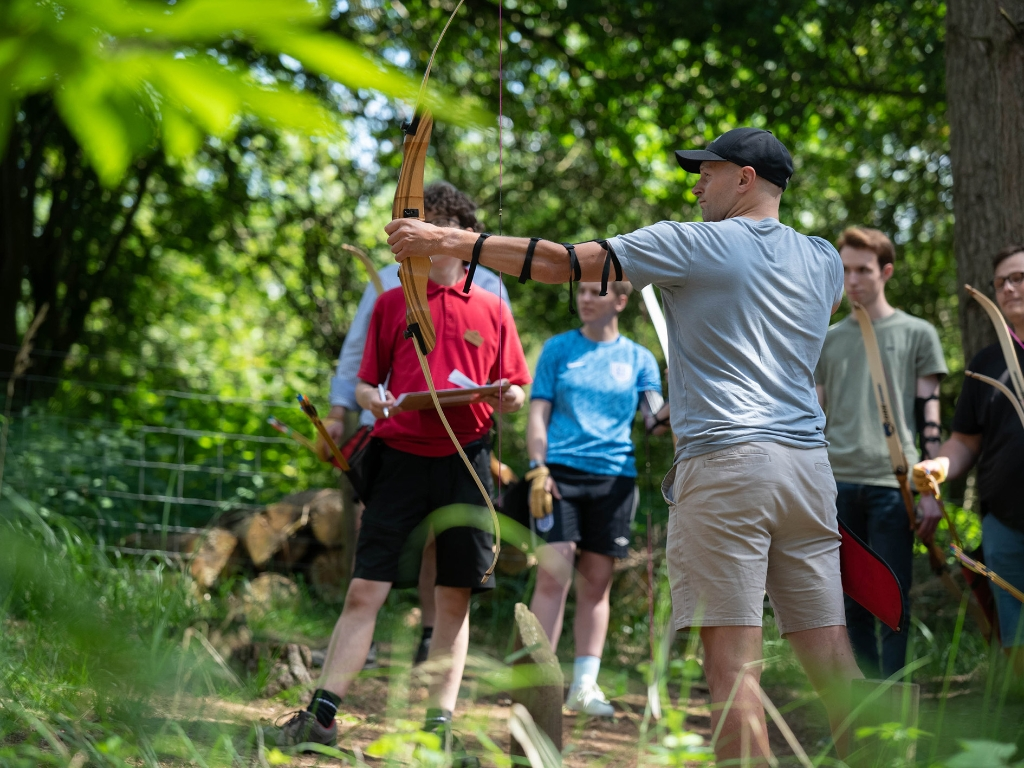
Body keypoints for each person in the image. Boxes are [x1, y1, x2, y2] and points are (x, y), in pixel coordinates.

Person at [387, 126, 864, 763]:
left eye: (709, 172)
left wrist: (449, 240)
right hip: (807, 471)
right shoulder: (826, 259)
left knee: (732, 671)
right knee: (832, 658)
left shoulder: (693, 242)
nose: (697, 183)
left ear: (746, 180)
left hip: (728, 470)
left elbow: (561, 262)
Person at [276, 187, 531, 761]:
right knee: (366, 587)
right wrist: (377, 399)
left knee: (454, 598)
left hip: (466, 456)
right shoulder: (392, 301)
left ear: (462, 240)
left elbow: (516, 382)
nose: (417, 240)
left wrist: (507, 397)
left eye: (434, 228)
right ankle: (322, 716)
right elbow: (365, 380)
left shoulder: (492, 306)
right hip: (399, 459)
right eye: (416, 227)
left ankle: (437, 728)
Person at [319, 182, 510, 665]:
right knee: (371, 530)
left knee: (443, 541)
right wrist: (341, 411)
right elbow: (359, 353)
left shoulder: (487, 287)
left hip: (462, 434)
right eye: (425, 222)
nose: (431, 234)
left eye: (443, 225)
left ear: (465, 234)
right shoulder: (389, 280)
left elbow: (499, 368)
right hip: (390, 425)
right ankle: (364, 639)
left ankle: (431, 635)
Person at [814, 226, 947, 678]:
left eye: (863, 270)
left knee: (893, 603)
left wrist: (930, 490)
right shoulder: (827, 338)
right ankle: (863, 716)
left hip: (894, 485)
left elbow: (930, 418)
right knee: (851, 606)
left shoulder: (918, 333)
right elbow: (812, 415)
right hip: (836, 486)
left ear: (885, 271)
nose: (853, 280)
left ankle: (894, 713)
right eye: (845, 270)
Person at [526, 280, 662, 716]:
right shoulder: (557, 349)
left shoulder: (640, 359)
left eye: (595, 292)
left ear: (620, 301)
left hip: (615, 480)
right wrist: (538, 467)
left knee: (596, 583)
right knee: (554, 572)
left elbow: (656, 422)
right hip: (559, 476)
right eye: (580, 290)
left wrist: (686, 389)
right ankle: (538, 682)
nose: (584, 298)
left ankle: (584, 687)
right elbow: (537, 414)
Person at [915, 244, 1024, 665]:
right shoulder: (986, 362)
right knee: (1015, 640)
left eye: (1019, 278)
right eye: (1001, 282)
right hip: (1005, 524)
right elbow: (964, 441)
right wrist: (939, 467)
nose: (1009, 288)